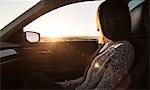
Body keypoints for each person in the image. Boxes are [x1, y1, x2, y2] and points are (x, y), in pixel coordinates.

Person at [25, 0, 135, 89]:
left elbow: (104, 87)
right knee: (35, 79)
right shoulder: (109, 46)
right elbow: (85, 81)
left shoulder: (123, 49)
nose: (97, 29)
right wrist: (61, 86)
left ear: (109, 23)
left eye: (99, 23)